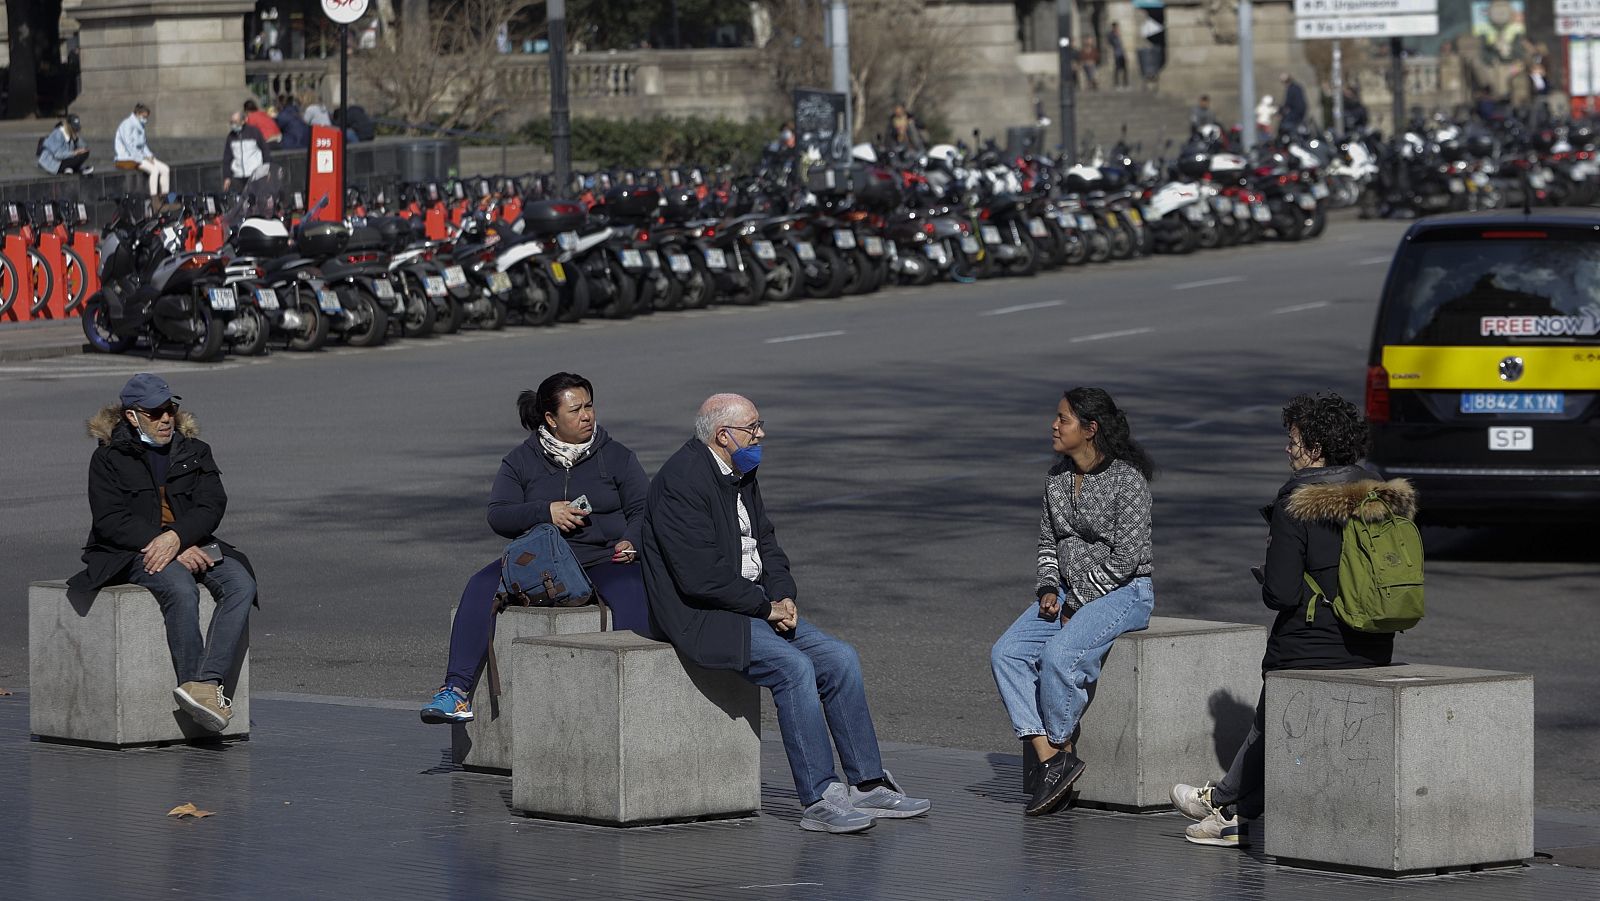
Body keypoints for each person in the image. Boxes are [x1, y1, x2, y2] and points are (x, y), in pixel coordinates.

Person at [642, 394, 931, 834]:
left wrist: (783, 594)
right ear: (724, 436)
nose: (761, 435)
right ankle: (819, 797)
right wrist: (765, 607)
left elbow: (767, 543)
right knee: (794, 668)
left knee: (840, 658)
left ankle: (868, 784)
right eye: (753, 428)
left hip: (756, 605)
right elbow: (700, 578)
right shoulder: (681, 481)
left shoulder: (741, 471)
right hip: (704, 616)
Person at [1170, 393, 1412, 848]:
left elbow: (1279, 594)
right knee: (1272, 721)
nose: (1288, 448)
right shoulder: (1380, 494)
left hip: (1312, 643)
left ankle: (1228, 806)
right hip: (1375, 642)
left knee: (1273, 716)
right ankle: (1230, 807)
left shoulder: (1298, 503)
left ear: (1316, 448)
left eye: (1294, 440)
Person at [420, 373, 652, 724]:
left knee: (634, 590)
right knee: (480, 586)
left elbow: (644, 510)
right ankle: (455, 692)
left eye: (589, 406)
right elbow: (499, 515)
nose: (587, 415)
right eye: (575, 410)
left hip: (606, 557)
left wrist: (630, 541)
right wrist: (546, 511)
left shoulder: (617, 456)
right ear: (550, 419)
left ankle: (639, 700)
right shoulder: (521, 460)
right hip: (541, 560)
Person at [990, 388, 1156, 817]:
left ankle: (1059, 748)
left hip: (1124, 592)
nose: (1054, 425)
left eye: (1063, 419)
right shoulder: (1056, 478)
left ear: (1090, 429)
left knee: (1060, 655)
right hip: (1064, 593)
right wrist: (1048, 588)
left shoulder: (1127, 481)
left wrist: (1078, 599)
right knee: (1006, 653)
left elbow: (1128, 557)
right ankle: (1052, 758)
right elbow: (1048, 543)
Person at [67, 374, 257, 733]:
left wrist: (179, 540)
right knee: (180, 587)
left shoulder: (195, 449)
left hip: (191, 542)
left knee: (241, 583)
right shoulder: (108, 458)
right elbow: (111, 521)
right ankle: (195, 685)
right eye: (154, 412)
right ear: (131, 416)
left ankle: (203, 683)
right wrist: (167, 544)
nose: (166, 418)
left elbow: (212, 505)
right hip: (130, 551)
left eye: (169, 408)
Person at [114, 103, 170, 201]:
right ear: (137, 114)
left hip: (142, 156)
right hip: (128, 158)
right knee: (154, 170)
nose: (145, 119)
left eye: (146, 117)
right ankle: (154, 199)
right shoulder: (127, 124)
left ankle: (164, 197)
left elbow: (143, 144)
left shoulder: (140, 126)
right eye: (144, 117)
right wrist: (144, 158)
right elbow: (129, 146)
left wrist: (150, 156)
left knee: (165, 169)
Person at [222, 111, 272, 193]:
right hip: (238, 176)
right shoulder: (231, 136)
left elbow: (265, 150)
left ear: (243, 121)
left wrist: (267, 168)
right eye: (231, 122)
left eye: (236, 122)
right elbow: (227, 157)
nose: (233, 125)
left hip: (255, 174)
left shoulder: (254, 132)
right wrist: (227, 177)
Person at [1108, 23, 1128, 89]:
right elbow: (1111, 43)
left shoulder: (1119, 34)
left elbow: (1121, 45)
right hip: (1116, 54)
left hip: (1121, 53)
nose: (1117, 28)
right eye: (1116, 27)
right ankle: (1117, 84)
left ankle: (1125, 84)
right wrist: (1115, 36)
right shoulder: (1111, 35)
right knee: (1117, 69)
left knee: (1125, 69)